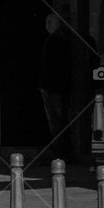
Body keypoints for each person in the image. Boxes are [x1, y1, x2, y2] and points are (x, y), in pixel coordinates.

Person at [38, 13, 72, 159]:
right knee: (62, 120)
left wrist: (43, 85)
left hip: (53, 88)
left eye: (48, 22)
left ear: (51, 24)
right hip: (63, 87)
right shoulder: (65, 40)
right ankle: (63, 152)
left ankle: (60, 153)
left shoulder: (52, 41)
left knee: (56, 122)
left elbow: (48, 66)